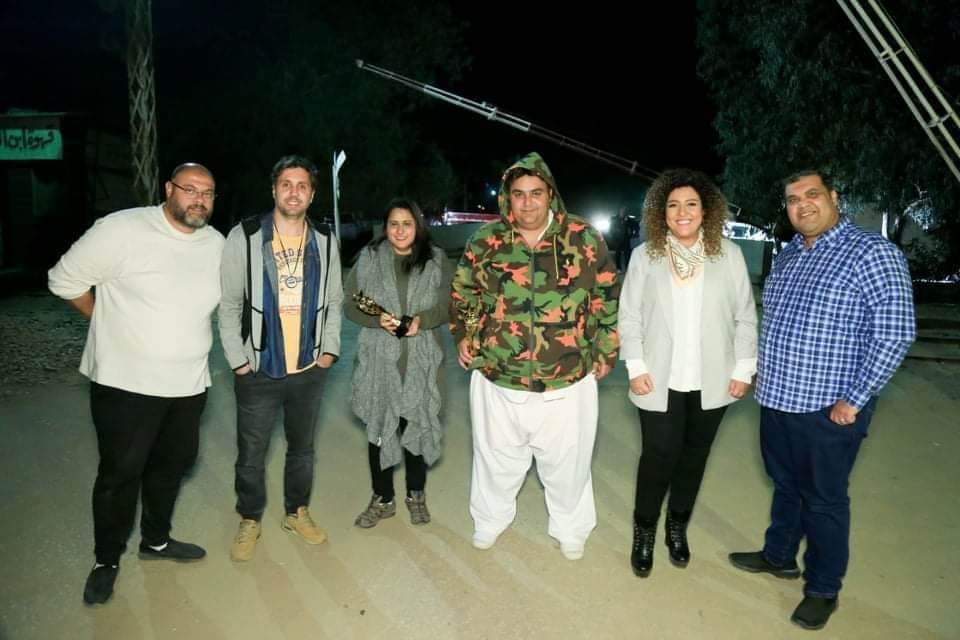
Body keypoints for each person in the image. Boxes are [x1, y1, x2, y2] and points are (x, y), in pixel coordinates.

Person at [729, 170, 915, 630]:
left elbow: (895, 333)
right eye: (793, 199)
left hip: (830, 409)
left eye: (812, 195)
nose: (802, 205)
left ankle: (823, 589)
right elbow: (777, 325)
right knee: (785, 486)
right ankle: (778, 556)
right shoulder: (790, 254)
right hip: (778, 400)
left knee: (824, 501)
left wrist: (854, 399)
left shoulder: (871, 252)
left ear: (834, 197)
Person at [48, 163, 224, 605]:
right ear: (169, 189)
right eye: (190, 189)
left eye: (207, 193)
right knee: (120, 475)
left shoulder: (216, 244)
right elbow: (62, 280)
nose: (199, 199)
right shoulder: (121, 229)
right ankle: (106, 560)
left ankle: (156, 541)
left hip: (188, 385)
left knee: (172, 467)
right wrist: (104, 319)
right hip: (126, 385)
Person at [450, 151, 620, 560]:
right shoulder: (485, 241)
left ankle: (570, 527)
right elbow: (464, 294)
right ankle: (489, 519)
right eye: (519, 194)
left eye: (536, 193)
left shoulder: (583, 238)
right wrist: (465, 335)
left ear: (550, 194)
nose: (527, 203)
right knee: (495, 459)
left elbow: (606, 295)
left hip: (567, 375)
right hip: (498, 373)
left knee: (568, 463)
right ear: (507, 197)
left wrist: (606, 348)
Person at [618, 169, 757, 577]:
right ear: (661, 212)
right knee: (658, 456)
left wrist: (743, 367)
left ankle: (677, 526)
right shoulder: (645, 256)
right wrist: (636, 365)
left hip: (714, 376)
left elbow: (745, 316)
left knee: (694, 458)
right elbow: (629, 316)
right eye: (673, 205)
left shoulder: (728, 255)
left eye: (691, 204)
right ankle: (644, 530)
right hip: (658, 376)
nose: (682, 212)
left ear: (706, 210)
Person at [219, 155, 343, 561]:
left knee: (302, 449)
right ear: (274, 190)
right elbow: (229, 304)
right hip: (258, 367)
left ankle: (296, 511)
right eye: (286, 184)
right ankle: (250, 518)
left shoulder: (325, 239)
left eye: (302, 185)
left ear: (312, 194)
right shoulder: (245, 236)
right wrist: (238, 360)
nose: (294, 192)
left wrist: (328, 350)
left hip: (308, 368)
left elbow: (335, 300)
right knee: (251, 453)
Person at [344, 198, 453, 528]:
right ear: (385, 227)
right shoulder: (370, 258)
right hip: (378, 365)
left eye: (407, 224)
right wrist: (376, 319)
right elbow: (350, 304)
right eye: (394, 224)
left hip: (421, 364)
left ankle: (415, 494)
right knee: (379, 432)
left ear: (418, 226)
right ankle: (383, 498)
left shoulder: (435, 260)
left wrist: (422, 320)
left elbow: (449, 305)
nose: (400, 230)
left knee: (416, 430)